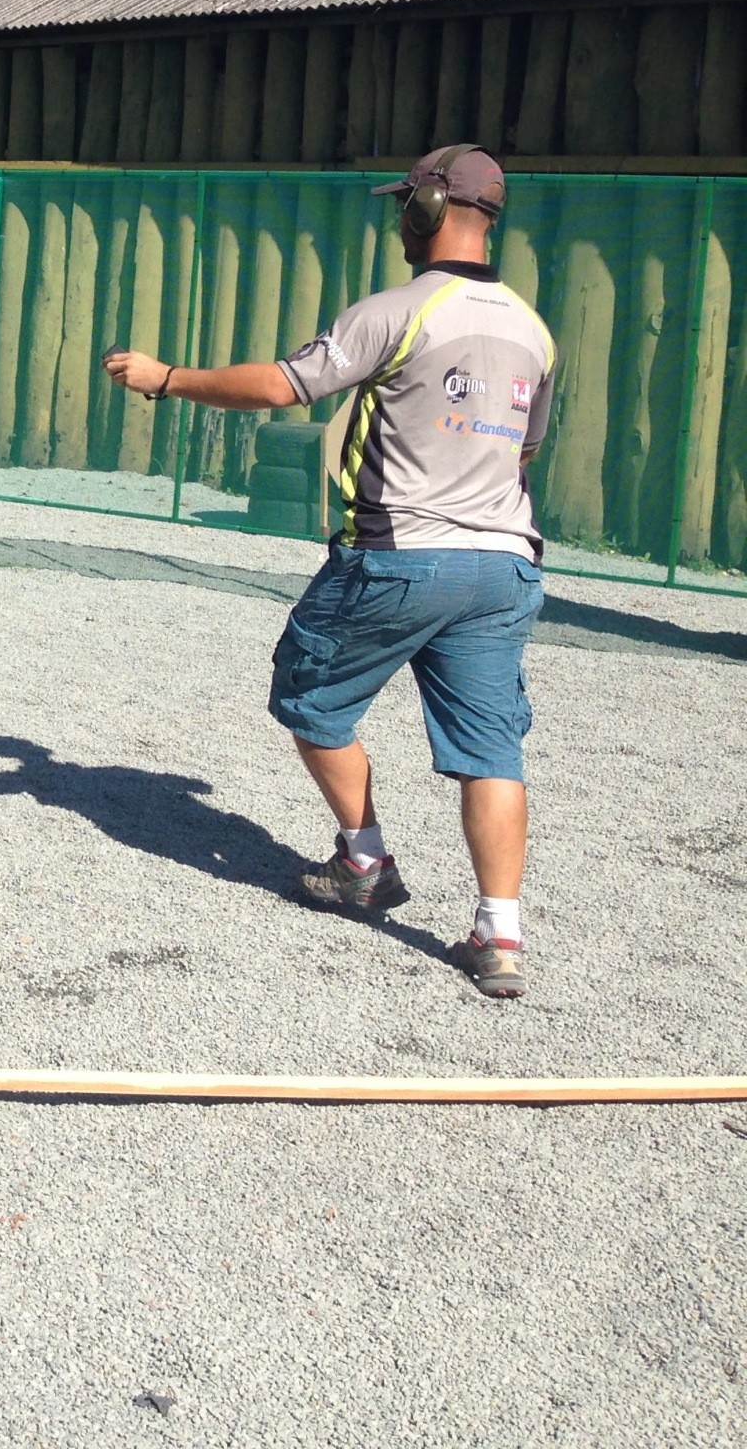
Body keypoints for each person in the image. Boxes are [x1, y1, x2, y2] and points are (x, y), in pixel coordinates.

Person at [104, 145, 555, 999]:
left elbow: (284, 387)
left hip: (398, 556)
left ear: (427, 210)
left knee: (310, 697)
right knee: (492, 750)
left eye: (405, 206)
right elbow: (524, 450)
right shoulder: (533, 331)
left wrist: (166, 379)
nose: (400, 221)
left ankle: (365, 862)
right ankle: (501, 936)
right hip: (504, 568)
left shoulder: (397, 312)